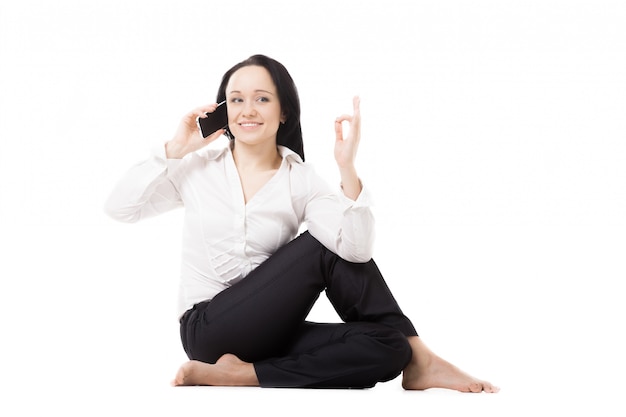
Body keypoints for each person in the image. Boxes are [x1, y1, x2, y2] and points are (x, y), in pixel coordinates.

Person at [104, 54, 499, 392]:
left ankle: (249, 375)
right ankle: (423, 357)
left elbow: (357, 251)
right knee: (321, 245)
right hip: (208, 330)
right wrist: (176, 148)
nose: (248, 110)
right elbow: (120, 208)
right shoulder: (197, 169)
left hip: (268, 335)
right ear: (223, 111)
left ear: (284, 111)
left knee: (389, 347)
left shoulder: (301, 179)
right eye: (236, 100)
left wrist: (347, 169)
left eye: (262, 98)